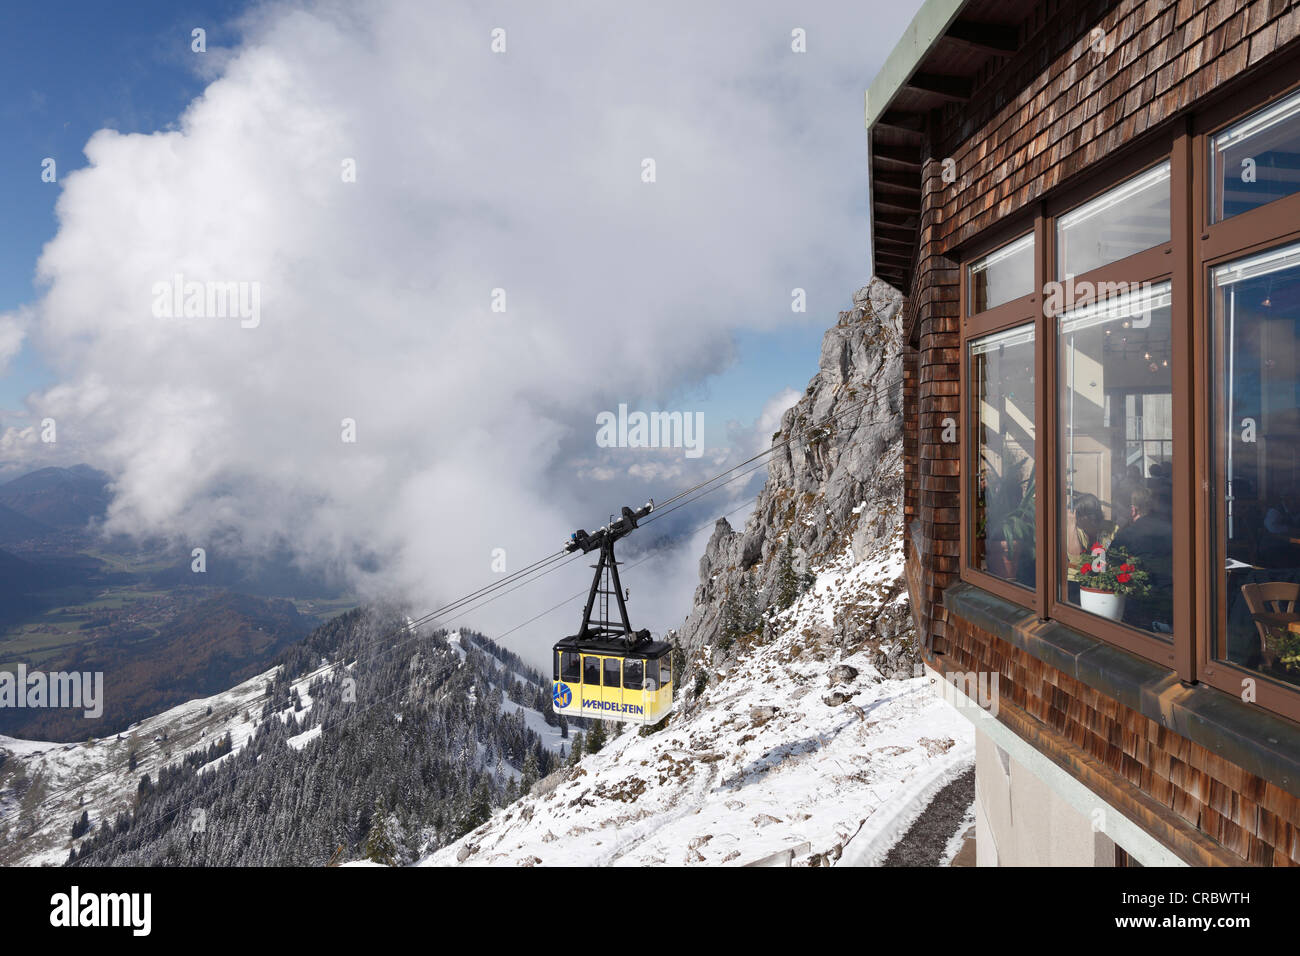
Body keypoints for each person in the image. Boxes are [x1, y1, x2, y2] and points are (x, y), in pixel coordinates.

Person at [1109, 486, 1174, 631]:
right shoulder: (1171, 529)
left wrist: (1121, 527)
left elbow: (1109, 565)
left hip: (1140, 608)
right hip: (1171, 604)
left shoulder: (1127, 535)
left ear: (1133, 510)